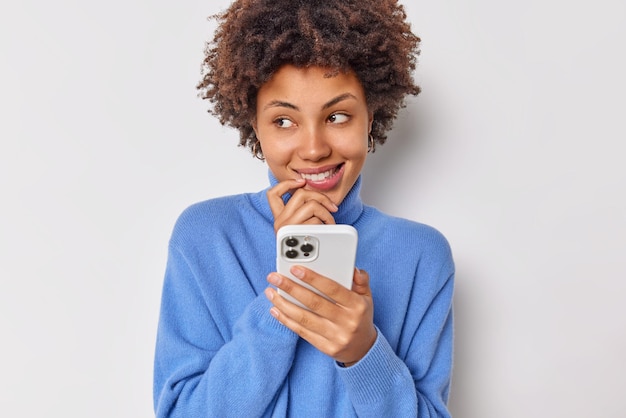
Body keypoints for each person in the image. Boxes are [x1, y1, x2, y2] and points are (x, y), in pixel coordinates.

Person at [153, 0, 455, 416]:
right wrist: (281, 307)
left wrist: (363, 352)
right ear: (254, 127)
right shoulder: (206, 236)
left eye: (338, 116)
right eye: (283, 121)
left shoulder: (421, 254)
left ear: (371, 117)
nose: (314, 149)